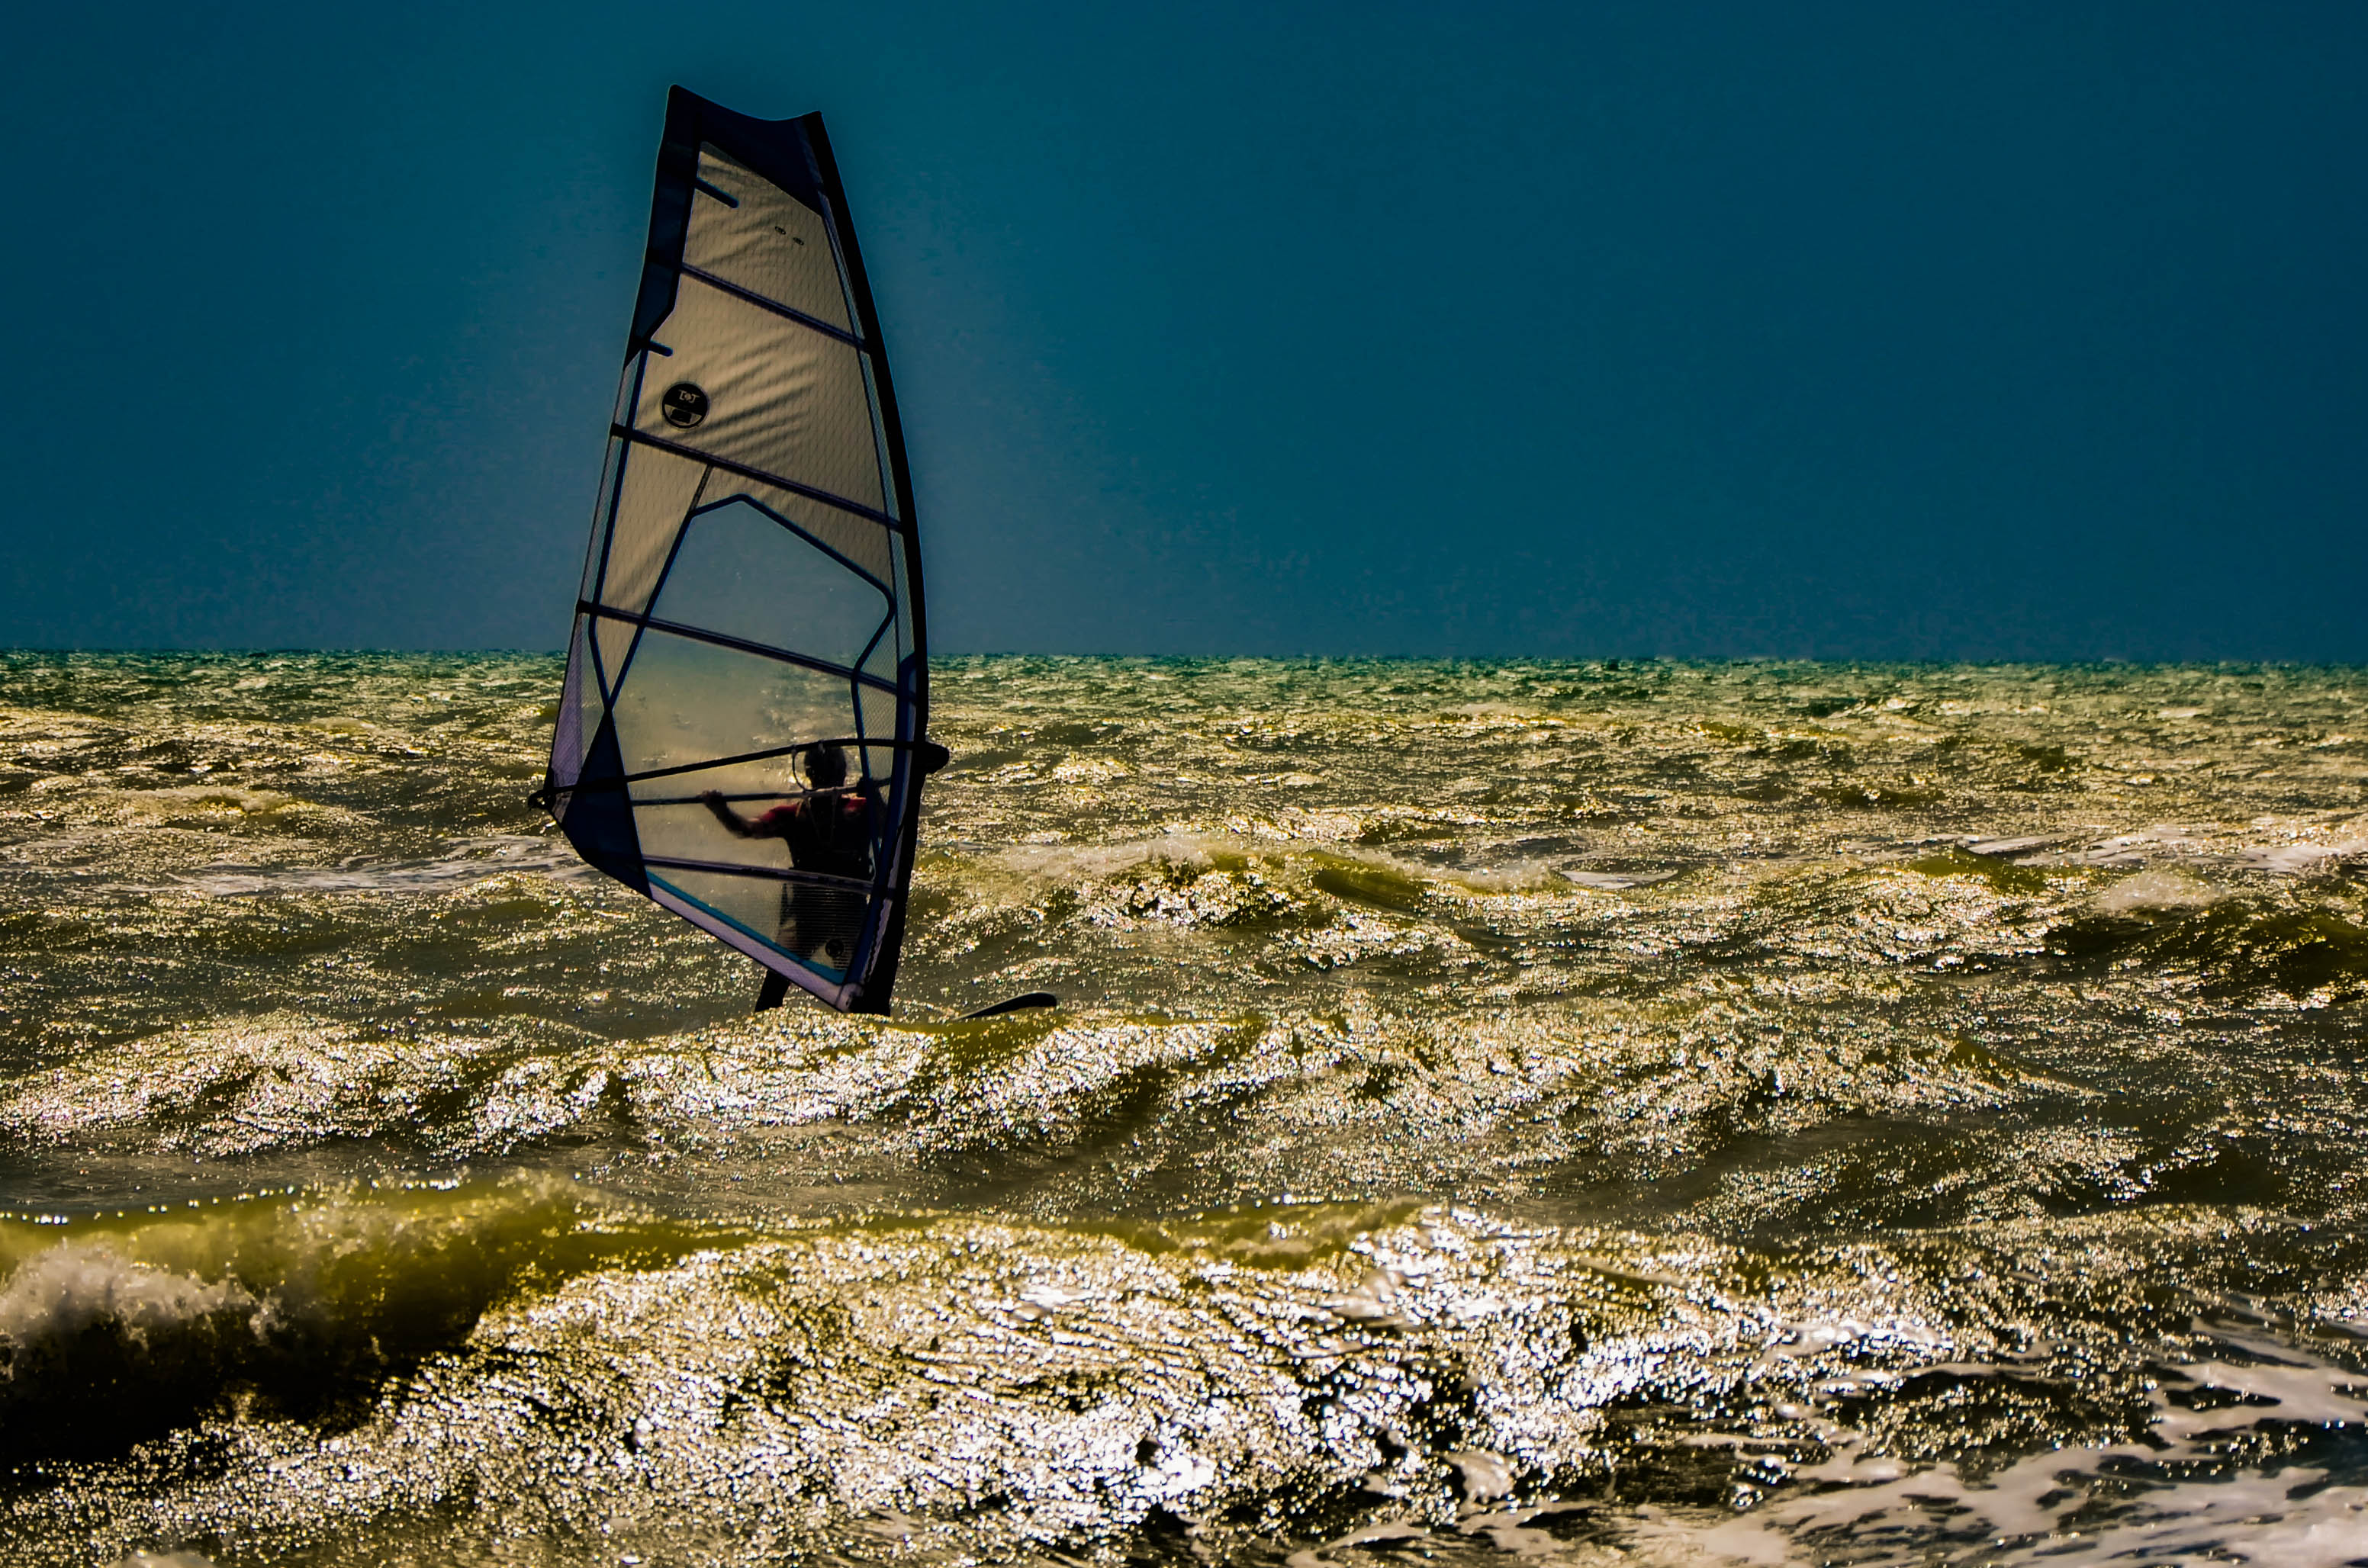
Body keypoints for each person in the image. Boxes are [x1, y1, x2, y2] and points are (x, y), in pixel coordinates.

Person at [699, 744, 880, 969]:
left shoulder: (862, 809)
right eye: (825, 771)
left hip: (848, 912)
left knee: (850, 976)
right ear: (810, 774)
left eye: (833, 770)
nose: (831, 775)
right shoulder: (792, 816)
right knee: (777, 976)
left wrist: (875, 798)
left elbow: (890, 829)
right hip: (806, 914)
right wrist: (721, 811)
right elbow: (747, 829)